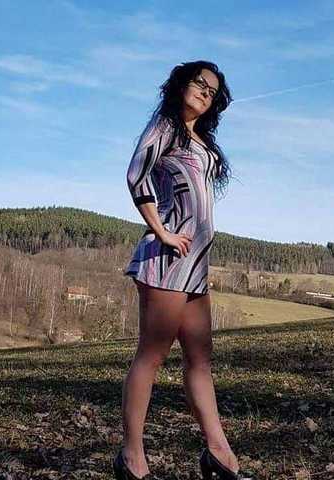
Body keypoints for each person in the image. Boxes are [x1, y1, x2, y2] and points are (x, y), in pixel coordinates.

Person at [113, 61, 254, 480]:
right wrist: (163, 232)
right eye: (200, 83)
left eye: (213, 91)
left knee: (200, 358)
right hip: (167, 260)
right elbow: (136, 174)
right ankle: (132, 459)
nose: (206, 92)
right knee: (152, 355)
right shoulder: (165, 126)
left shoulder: (200, 140)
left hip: (195, 266)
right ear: (181, 84)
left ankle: (220, 455)